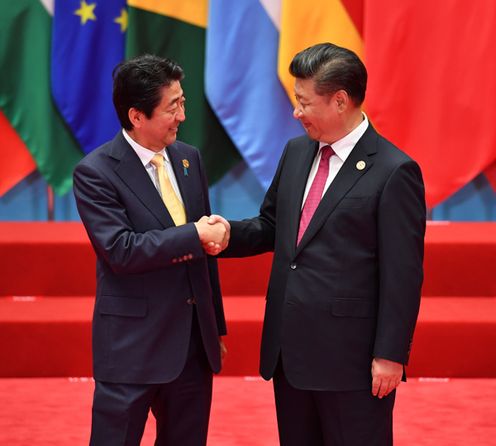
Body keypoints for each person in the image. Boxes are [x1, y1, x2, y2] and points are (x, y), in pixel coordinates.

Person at [209, 43, 426, 445]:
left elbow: (404, 274)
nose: (296, 112)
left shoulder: (395, 171)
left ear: (340, 100)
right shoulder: (296, 152)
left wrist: (391, 354)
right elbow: (274, 225)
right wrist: (228, 235)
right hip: (290, 354)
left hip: (352, 362)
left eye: (304, 102)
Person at [73, 54, 228, 446]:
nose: (182, 115)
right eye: (172, 107)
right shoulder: (96, 172)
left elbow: (205, 254)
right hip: (131, 350)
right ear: (137, 116)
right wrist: (193, 234)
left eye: (182, 101)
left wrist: (216, 329)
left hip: (192, 349)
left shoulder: (189, 158)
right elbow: (121, 250)